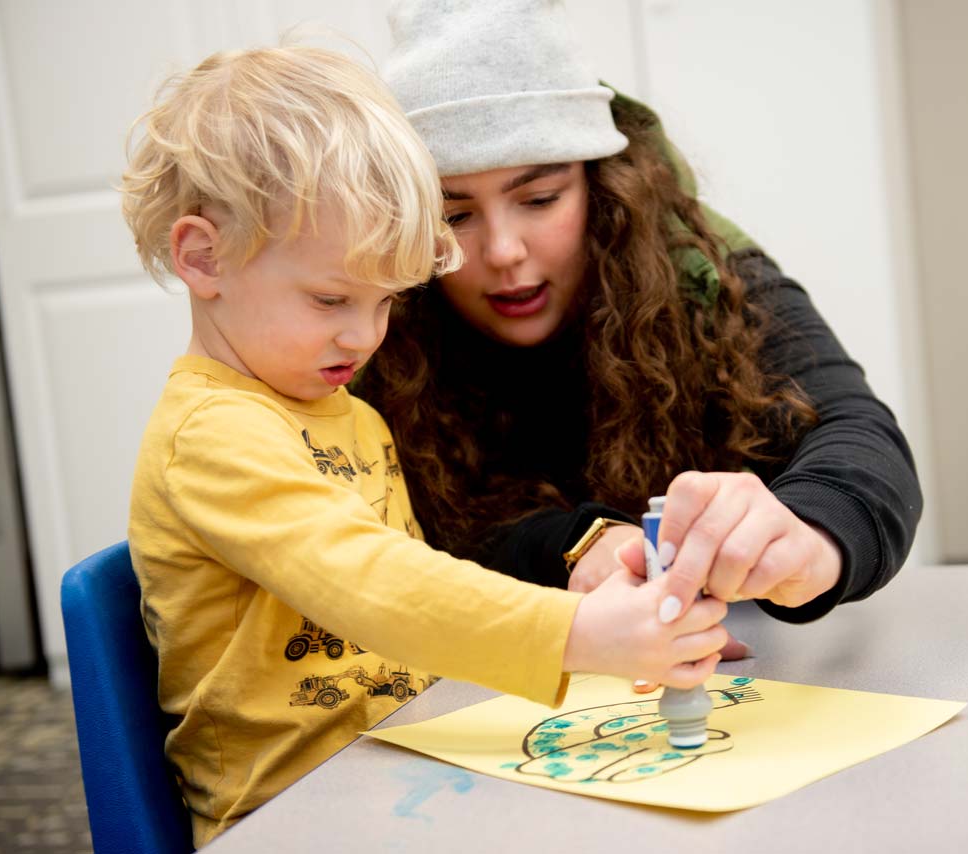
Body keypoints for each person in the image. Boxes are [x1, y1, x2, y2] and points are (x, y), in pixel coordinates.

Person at [121, 45, 728, 847]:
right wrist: (578, 636)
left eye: (384, 302)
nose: (365, 335)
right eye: (332, 297)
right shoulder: (211, 435)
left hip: (401, 763)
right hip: (292, 813)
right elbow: (372, 585)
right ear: (204, 257)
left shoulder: (344, 412)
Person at [359, 0, 923, 650]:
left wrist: (807, 538)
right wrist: (580, 544)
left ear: (605, 187)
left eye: (539, 199)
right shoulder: (380, 310)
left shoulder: (699, 266)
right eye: (453, 216)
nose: (504, 251)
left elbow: (856, 431)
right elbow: (410, 540)